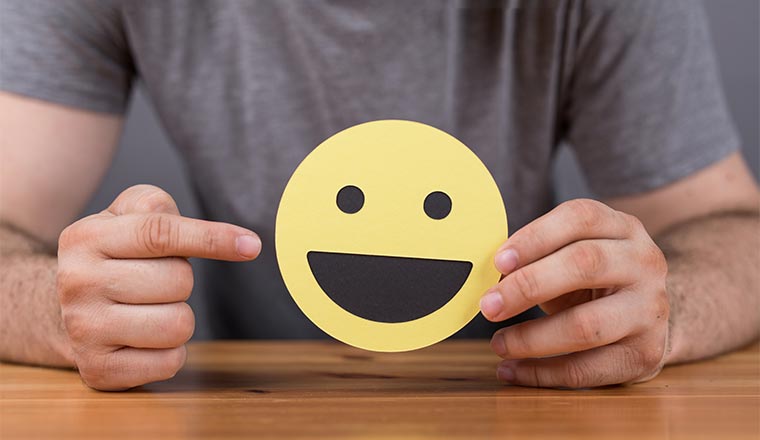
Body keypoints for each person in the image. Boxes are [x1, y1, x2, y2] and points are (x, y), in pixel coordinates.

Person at [1, 0, 757, 391]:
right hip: (241, 408)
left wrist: (668, 309)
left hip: (521, 400)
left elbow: (730, 227)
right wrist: (55, 308)